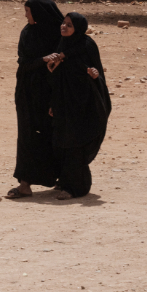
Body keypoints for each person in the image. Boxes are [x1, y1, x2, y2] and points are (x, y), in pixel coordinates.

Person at [46, 12, 111, 199]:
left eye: (69, 25)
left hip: (83, 103)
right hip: (64, 101)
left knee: (76, 143)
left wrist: (95, 74)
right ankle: (65, 182)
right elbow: (56, 77)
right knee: (62, 143)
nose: (64, 27)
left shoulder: (87, 45)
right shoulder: (61, 44)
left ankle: (76, 188)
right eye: (64, 23)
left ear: (79, 29)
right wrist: (53, 102)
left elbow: (97, 72)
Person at [6, 0, 65, 199]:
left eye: (28, 11)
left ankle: (63, 178)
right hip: (28, 93)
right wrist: (42, 60)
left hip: (51, 95)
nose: (25, 15)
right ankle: (25, 184)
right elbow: (23, 62)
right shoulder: (27, 32)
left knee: (56, 136)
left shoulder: (60, 34)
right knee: (28, 136)